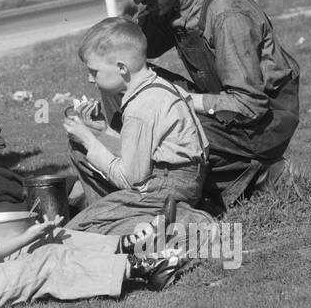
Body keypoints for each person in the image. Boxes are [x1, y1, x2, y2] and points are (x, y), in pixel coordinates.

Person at [0, 101, 178, 308]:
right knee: (47, 261)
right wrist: (26, 236)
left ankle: (125, 245)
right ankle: (142, 267)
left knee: (46, 240)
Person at [109, 0, 300, 209]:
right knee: (118, 79)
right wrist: (130, 29)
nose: (138, 0)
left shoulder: (225, 13)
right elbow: (130, 53)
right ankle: (144, 177)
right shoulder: (173, 4)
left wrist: (179, 102)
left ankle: (260, 174)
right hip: (228, 112)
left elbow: (249, 105)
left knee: (167, 120)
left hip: (263, 125)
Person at [62, 17, 209, 231]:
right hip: (181, 180)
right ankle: (129, 214)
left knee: (82, 228)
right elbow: (142, 150)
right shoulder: (157, 85)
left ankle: (184, 222)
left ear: (122, 68)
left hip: (163, 188)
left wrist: (89, 139)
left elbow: (129, 179)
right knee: (89, 212)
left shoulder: (140, 107)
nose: (90, 80)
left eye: (94, 72)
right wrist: (102, 130)